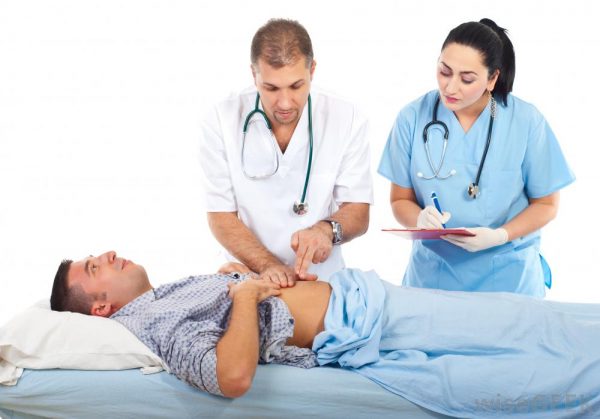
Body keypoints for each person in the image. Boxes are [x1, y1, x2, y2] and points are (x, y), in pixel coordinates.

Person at [50, 250, 600, 418]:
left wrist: (238, 281)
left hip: (357, 305)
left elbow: (226, 320)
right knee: (519, 326)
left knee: (519, 320)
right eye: (95, 268)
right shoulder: (147, 324)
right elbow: (231, 375)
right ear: (100, 309)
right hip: (356, 322)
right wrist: (244, 296)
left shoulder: (157, 302)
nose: (108, 254)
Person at [378, 19, 575, 297]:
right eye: (444, 72)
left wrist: (500, 235)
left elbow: (546, 204)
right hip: (432, 278)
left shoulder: (526, 121)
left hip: (509, 278)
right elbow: (400, 199)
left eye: (467, 79)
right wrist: (419, 218)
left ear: (492, 79)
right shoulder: (412, 118)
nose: (450, 87)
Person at [199, 19, 373, 287]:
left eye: (296, 86)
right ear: (254, 74)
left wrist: (325, 230)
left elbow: (358, 211)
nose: (284, 103)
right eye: (271, 88)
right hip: (249, 279)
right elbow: (220, 216)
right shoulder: (221, 119)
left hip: (322, 281)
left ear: (312, 70)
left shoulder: (346, 117)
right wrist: (269, 266)